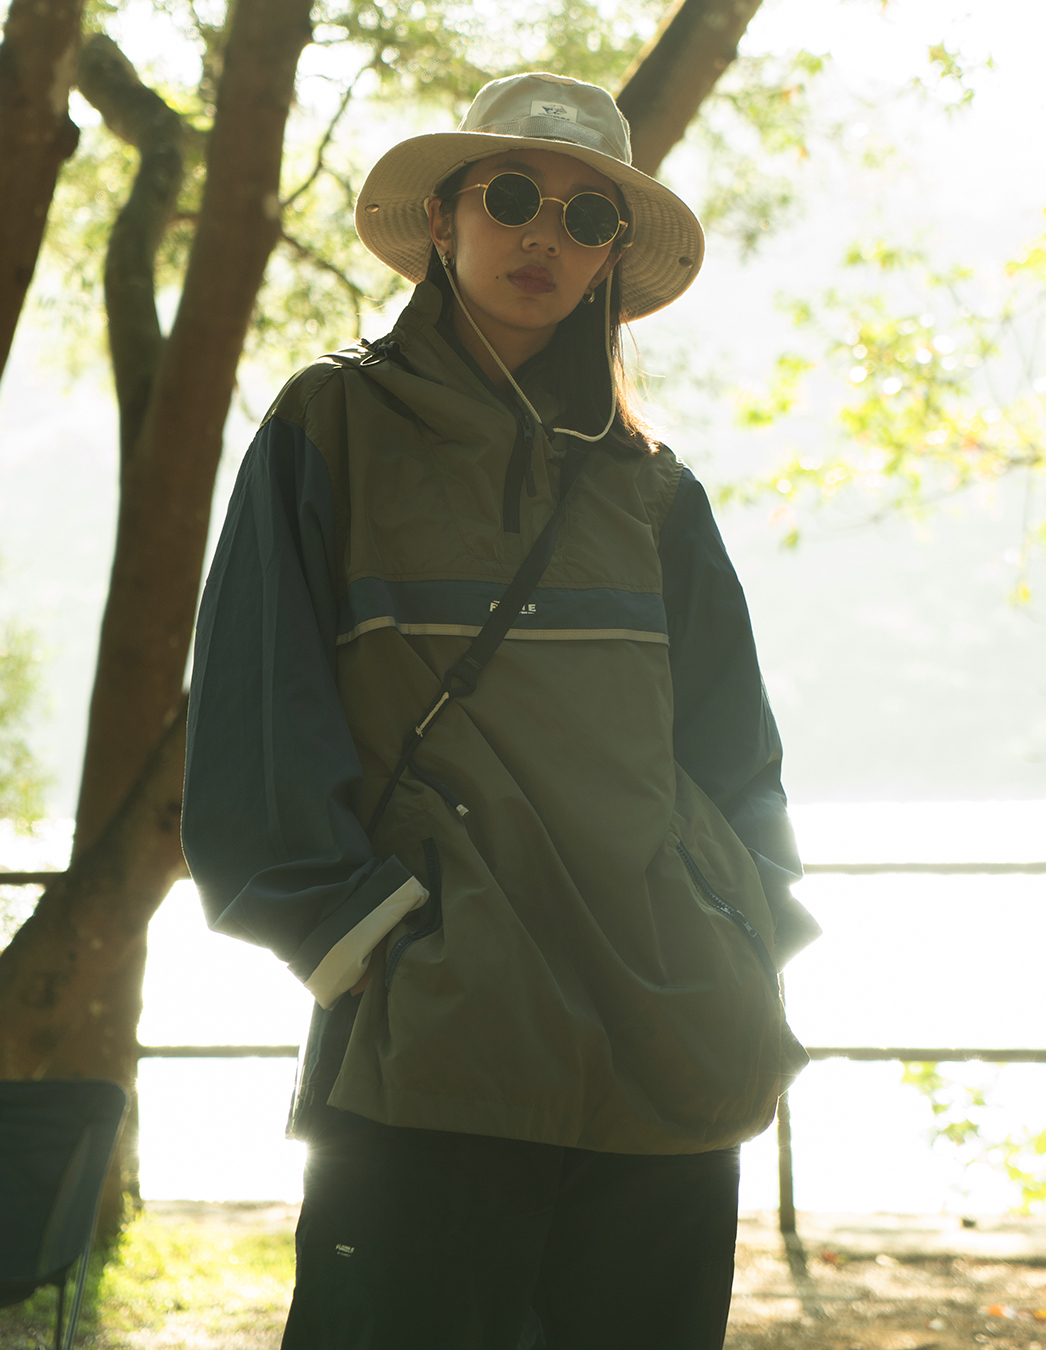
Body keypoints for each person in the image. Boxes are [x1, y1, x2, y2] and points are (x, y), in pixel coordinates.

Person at [182, 71, 821, 1350]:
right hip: (433, 1055)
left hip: (666, 1052)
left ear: (609, 260)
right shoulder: (329, 427)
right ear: (443, 218)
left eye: (589, 219)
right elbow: (256, 724)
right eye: (514, 195)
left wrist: (737, 933)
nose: (546, 235)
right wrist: (368, 946)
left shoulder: (655, 494)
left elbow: (737, 759)